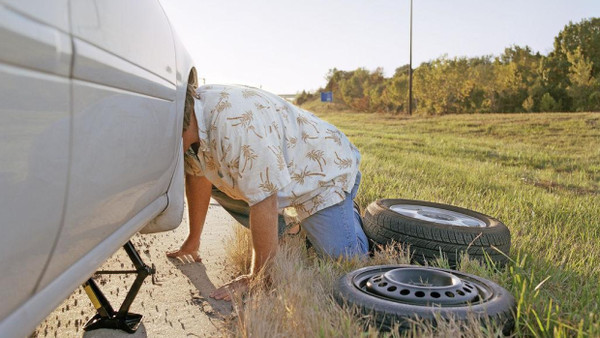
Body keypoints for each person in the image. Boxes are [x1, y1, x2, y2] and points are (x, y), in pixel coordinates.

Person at [168, 84, 369, 300]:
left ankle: (348, 208)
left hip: (323, 171)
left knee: (345, 260)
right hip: (284, 171)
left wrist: (258, 278)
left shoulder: (235, 129)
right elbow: (200, 175)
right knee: (226, 178)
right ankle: (289, 228)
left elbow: (264, 200)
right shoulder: (192, 119)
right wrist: (193, 240)